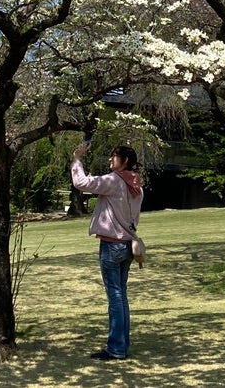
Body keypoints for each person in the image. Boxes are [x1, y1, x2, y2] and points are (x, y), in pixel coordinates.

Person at [71, 141, 143, 361]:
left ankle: (116, 348)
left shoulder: (114, 180)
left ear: (125, 161)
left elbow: (81, 183)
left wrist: (76, 159)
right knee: (121, 296)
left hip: (112, 245)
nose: (110, 160)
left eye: (114, 156)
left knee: (115, 297)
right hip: (128, 244)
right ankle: (122, 345)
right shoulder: (136, 184)